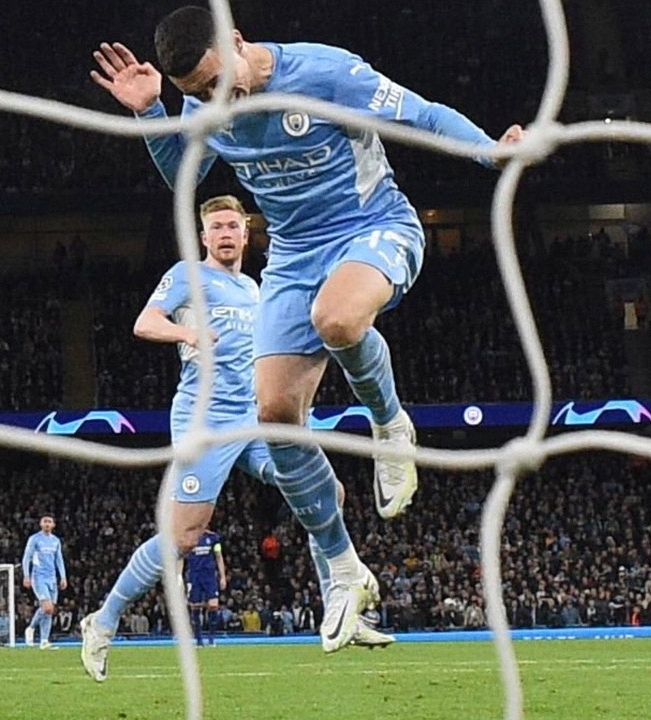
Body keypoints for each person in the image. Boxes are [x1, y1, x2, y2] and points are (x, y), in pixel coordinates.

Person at [89, 6, 523, 651]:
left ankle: (390, 425)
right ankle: (344, 570)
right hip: (292, 256)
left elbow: (422, 114)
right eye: (197, 93)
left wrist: (489, 150)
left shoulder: (324, 72)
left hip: (372, 226)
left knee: (337, 317)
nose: (214, 100)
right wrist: (152, 113)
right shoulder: (202, 102)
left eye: (216, 82)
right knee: (276, 415)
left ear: (237, 41)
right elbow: (185, 178)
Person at [80, 196, 390, 683]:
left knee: (327, 491)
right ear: (203, 236)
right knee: (184, 537)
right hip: (205, 421)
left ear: (246, 235)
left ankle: (343, 604)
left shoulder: (253, 288)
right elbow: (145, 322)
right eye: (216, 227)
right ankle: (103, 620)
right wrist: (187, 335)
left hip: (254, 420)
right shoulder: (188, 275)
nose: (225, 233)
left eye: (233, 226)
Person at [21, 514, 67, 649]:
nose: (47, 524)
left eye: (49, 522)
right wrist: (26, 575)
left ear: (53, 525)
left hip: (52, 578)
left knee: (49, 610)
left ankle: (44, 641)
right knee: (47, 607)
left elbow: (59, 559)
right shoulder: (34, 539)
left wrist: (63, 576)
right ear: (41, 524)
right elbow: (26, 557)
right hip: (39, 577)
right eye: (45, 521)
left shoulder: (56, 541)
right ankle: (31, 628)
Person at [185, 524, 226, 646]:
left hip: (209, 576)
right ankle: (198, 639)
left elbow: (219, 556)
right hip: (195, 576)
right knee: (195, 606)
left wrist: (223, 576)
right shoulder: (189, 538)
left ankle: (211, 638)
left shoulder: (213, 538)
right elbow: (181, 557)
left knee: (213, 605)